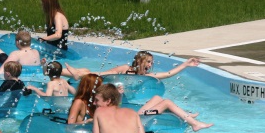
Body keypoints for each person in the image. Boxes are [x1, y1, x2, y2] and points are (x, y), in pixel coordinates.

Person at [65, 51, 201, 81]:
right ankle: (65, 72)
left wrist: (185, 64)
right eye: (148, 62)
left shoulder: (147, 76)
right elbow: (103, 74)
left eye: (151, 62)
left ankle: (78, 72)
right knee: (91, 72)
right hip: (107, 86)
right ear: (139, 61)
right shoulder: (125, 69)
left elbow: (168, 74)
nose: (150, 65)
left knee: (86, 71)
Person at [138, 96, 213, 132]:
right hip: (138, 120)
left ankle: (185, 114)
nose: (150, 65)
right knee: (167, 102)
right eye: (150, 63)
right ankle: (195, 124)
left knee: (157, 98)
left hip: (137, 116)